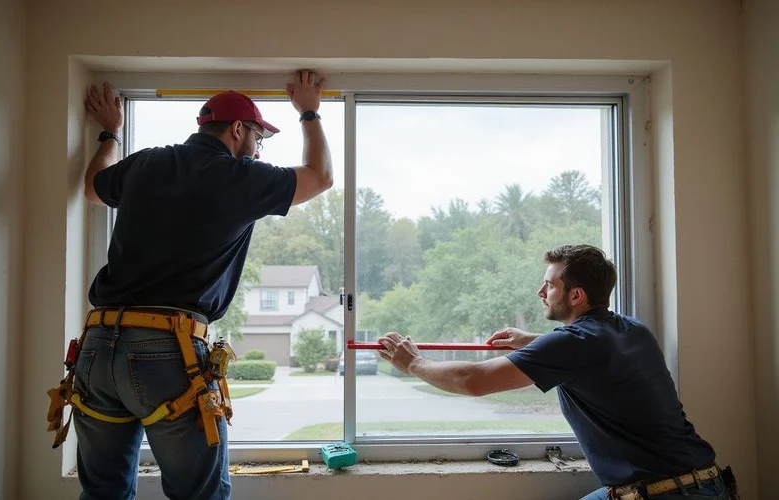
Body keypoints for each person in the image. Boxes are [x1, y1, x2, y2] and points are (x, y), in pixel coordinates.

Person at [59, 70, 332, 500]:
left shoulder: (147, 161)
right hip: (167, 352)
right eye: (258, 139)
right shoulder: (241, 177)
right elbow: (320, 176)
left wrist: (110, 132)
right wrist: (310, 111)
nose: (258, 150)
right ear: (238, 130)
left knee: (102, 494)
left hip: (97, 349)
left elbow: (95, 188)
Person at [378, 244, 737, 500]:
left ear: (576, 295)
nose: (541, 291)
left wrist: (414, 363)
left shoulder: (573, 344)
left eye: (549, 285)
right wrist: (532, 342)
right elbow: (594, 356)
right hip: (706, 483)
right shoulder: (632, 330)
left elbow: (473, 380)